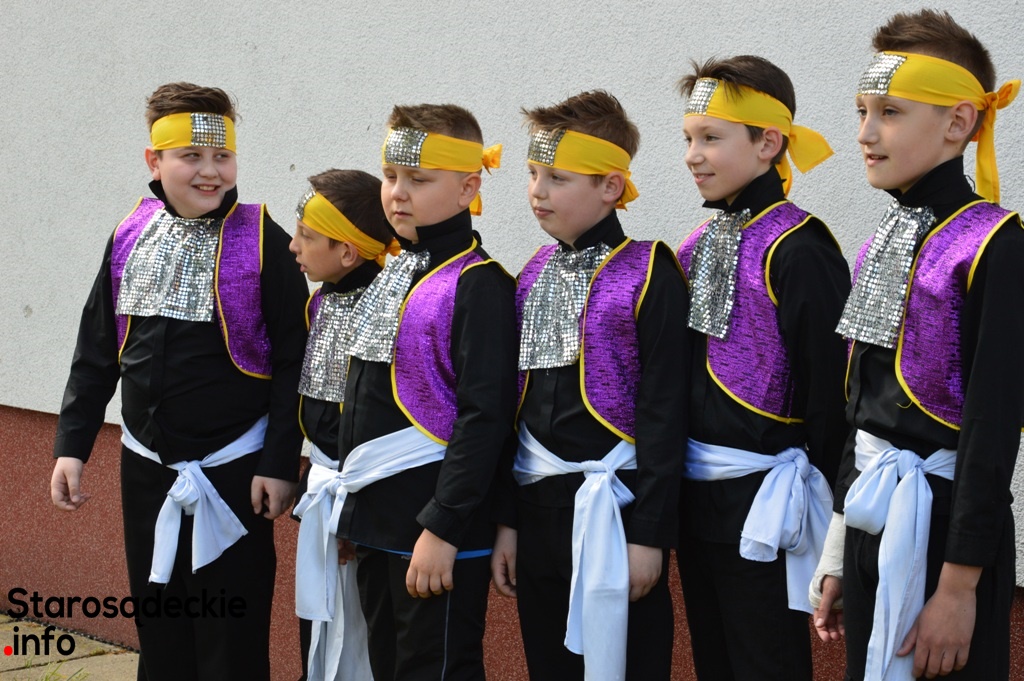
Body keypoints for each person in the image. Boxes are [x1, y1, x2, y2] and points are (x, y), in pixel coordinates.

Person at [48, 82, 309, 680]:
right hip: (146, 468)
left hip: (236, 471)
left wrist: (278, 461)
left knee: (229, 635)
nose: (210, 172)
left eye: (223, 156)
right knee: (160, 625)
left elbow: (295, 361)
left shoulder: (264, 239)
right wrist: (72, 444)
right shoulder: (129, 234)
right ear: (155, 160)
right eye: (191, 156)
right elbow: (97, 348)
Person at [812, 9, 1024, 680]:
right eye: (861, 111)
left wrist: (959, 587)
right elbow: (861, 410)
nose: (865, 133)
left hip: (948, 533)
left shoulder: (996, 244)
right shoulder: (882, 238)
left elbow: (993, 428)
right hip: (873, 515)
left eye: (890, 113)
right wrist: (841, 546)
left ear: (958, 122)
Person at [491, 90, 690, 680]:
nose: (537, 191)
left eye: (557, 177)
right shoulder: (531, 273)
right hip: (538, 512)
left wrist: (649, 535)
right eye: (532, 173)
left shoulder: (651, 271)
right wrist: (508, 522)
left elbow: (665, 412)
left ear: (610, 186)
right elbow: (513, 409)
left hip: (618, 510)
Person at [675, 56, 850, 680]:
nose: (693, 156)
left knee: (765, 661)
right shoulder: (695, 247)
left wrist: (837, 526)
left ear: (768, 142)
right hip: (696, 501)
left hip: (766, 505)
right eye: (688, 138)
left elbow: (832, 397)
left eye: (711, 138)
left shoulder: (801, 248)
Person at [328, 104, 517, 680]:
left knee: (434, 669)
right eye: (390, 176)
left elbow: (485, 418)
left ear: (467, 188)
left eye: (419, 179)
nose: (398, 193)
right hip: (377, 522)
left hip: (435, 529)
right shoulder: (392, 270)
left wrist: (442, 527)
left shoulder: (480, 284)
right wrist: (354, 513)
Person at [287, 169, 395, 681]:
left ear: (348, 252)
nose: (293, 246)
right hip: (324, 486)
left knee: (363, 634)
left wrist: (353, 511)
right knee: (321, 624)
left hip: (364, 498)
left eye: (306, 236)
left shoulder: (387, 312)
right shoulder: (321, 301)